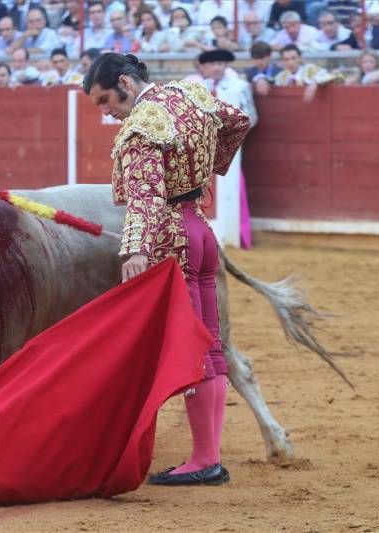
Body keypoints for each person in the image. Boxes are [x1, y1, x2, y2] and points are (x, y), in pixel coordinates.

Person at [82, 53, 251, 486]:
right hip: (201, 230)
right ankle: (207, 455)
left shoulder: (141, 126)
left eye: (106, 99)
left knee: (189, 348)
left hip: (170, 239)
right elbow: (237, 121)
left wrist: (135, 250)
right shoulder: (188, 93)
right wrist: (210, 166)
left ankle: (203, 460)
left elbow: (147, 196)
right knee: (209, 347)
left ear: (125, 82)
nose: (107, 111)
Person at [186, 48, 257, 249]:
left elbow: (251, 116)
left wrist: (228, 135)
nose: (217, 67)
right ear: (203, 67)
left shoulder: (239, 86)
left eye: (221, 63)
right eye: (212, 64)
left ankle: (239, 235)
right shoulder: (191, 86)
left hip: (227, 148)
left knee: (232, 186)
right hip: (196, 147)